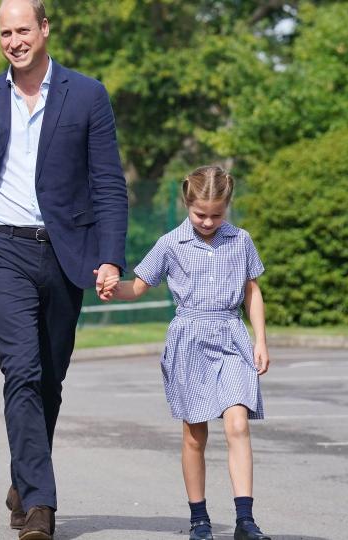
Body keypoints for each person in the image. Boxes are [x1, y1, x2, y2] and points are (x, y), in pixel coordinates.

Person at [0, 0, 128, 537]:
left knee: (50, 377)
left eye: (23, 30)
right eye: (5, 33)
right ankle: (40, 505)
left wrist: (110, 255)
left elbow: (109, 183)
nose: (14, 41)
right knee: (20, 370)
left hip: (67, 253)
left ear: (45, 29)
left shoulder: (87, 94)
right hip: (0, 249)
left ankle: (24, 477)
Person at [105, 166, 272, 540]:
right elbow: (137, 287)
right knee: (195, 435)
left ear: (227, 207)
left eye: (217, 214)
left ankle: (245, 520)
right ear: (187, 204)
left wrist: (260, 340)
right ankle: (199, 519)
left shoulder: (240, 240)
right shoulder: (170, 244)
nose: (209, 221)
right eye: (201, 214)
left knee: (238, 424)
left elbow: (252, 292)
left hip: (231, 336)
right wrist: (109, 286)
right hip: (190, 339)